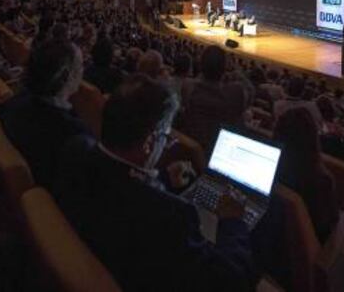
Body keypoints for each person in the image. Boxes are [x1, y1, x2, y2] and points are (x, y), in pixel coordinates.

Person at [57, 76, 255, 292]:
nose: (167, 143)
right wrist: (232, 222)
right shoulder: (170, 215)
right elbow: (228, 281)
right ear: (149, 142)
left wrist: (160, 179)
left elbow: (118, 183)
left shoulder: (74, 151)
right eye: (166, 137)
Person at [252, 107, 339, 290]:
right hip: (299, 263)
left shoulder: (264, 166)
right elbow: (328, 227)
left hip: (267, 248)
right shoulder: (321, 181)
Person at [0, 39, 91, 191]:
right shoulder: (73, 135)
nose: (83, 71)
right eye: (80, 66)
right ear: (66, 76)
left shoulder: (13, 103)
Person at [180, 45, 250, 153]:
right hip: (221, 149)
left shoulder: (188, 87)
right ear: (225, 68)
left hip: (192, 146)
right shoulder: (236, 91)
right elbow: (250, 91)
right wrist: (238, 73)